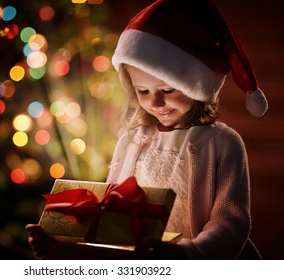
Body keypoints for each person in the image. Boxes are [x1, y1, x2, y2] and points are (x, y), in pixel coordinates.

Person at [25, 0, 268, 259]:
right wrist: (61, 243)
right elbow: (112, 221)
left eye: (166, 90)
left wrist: (184, 255)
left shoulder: (223, 143)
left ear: (196, 85)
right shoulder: (131, 142)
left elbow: (231, 223)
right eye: (143, 91)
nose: (155, 102)